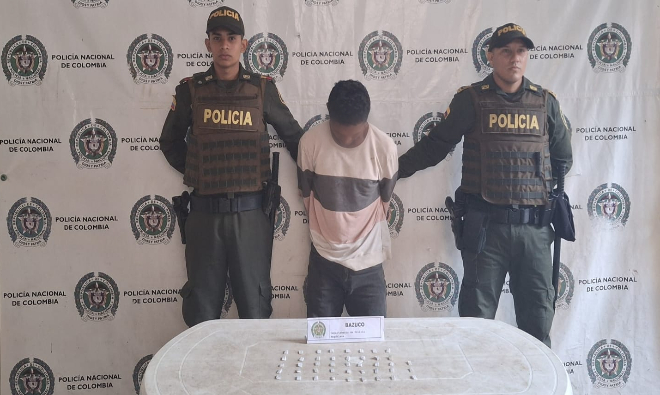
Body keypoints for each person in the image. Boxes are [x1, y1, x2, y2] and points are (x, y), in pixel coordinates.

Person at [397, 23, 572, 347]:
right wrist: (394, 170)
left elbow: (563, 160)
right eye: (506, 51)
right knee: (476, 327)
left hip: (534, 231)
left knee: (538, 324)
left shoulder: (545, 102)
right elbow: (436, 146)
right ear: (490, 56)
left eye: (521, 51)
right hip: (486, 231)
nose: (514, 58)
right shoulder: (471, 100)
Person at [159, 6, 303, 326]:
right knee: (201, 313)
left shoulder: (261, 89)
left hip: (250, 216)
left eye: (232, 38)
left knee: (255, 309)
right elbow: (169, 142)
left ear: (243, 44)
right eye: (217, 38)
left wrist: (316, 179)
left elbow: (294, 138)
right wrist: (198, 168)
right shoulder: (190, 90)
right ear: (208, 44)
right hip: (204, 215)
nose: (225, 45)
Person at [298, 80, 398, 318]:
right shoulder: (310, 142)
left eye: (355, 136)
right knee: (320, 338)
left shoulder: (384, 147)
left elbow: (385, 199)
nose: (347, 141)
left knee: (372, 338)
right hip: (323, 260)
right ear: (329, 113)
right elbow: (306, 194)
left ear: (367, 117)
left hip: (368, 263)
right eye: (339, 134)